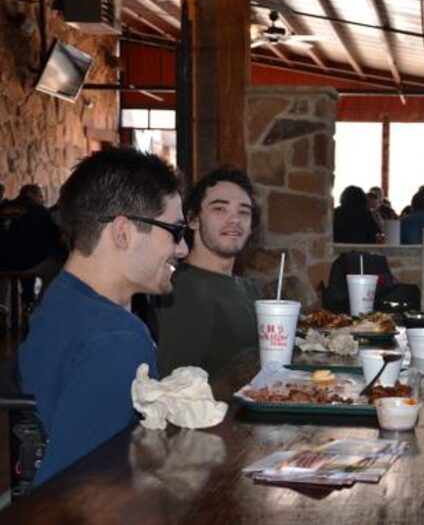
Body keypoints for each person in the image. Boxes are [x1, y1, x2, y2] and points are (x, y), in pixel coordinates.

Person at [18, 148, 188, 485]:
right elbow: (76, 491)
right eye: (176, 231)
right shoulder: (116, 338)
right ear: (123, 232)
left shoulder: (60, 299)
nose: (182, 249)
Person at [155, 166, 260, 378]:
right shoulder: (179, 291)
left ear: (251, 227)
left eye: (243, 212)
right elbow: (172, 391)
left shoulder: (251, 290)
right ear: (193, 219)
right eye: (219, 209)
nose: (234, 220)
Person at [0, 184, 64, 304]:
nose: (43, 199)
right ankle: (40, 307)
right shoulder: (40, 211)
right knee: (55, 268)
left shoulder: (2, 208)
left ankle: (3, 306)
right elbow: (55, 238)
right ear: (30, 195)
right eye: (40, 196)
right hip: (27, 264)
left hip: (2, 263)